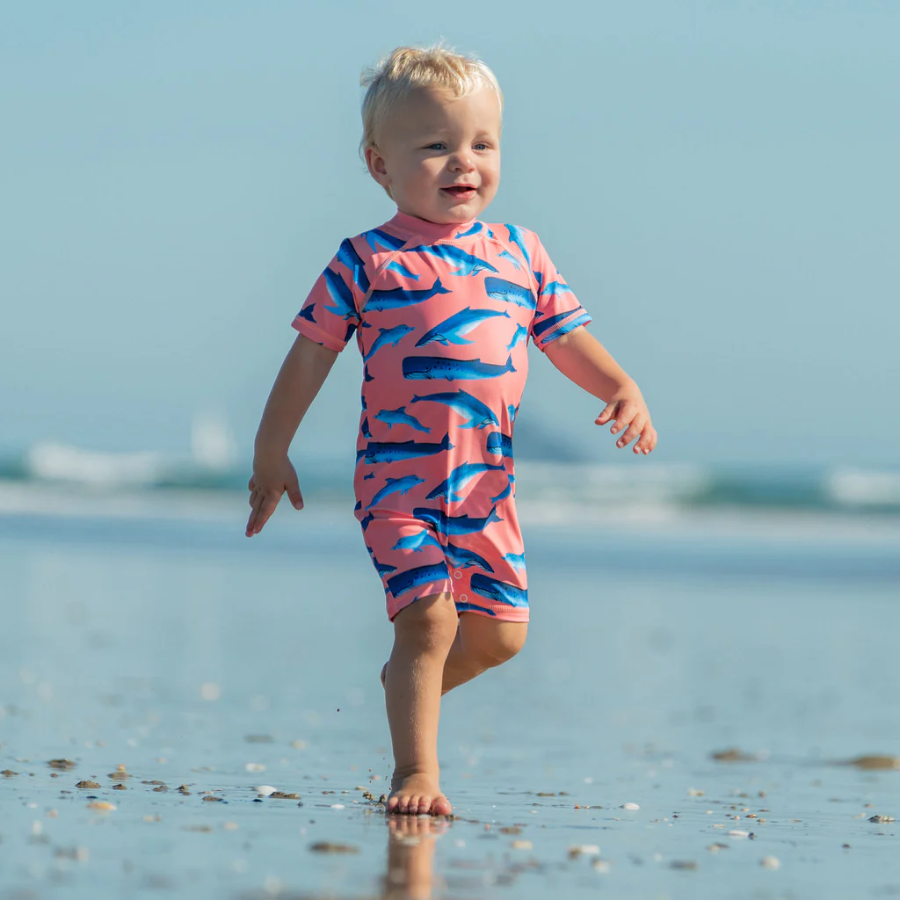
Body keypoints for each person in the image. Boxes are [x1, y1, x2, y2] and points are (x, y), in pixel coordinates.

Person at [246, 44, 657, 816]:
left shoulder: (521, 253)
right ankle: (416, 774)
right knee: (430, 616)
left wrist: (621, 385)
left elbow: (564, 337)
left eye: (481, 143)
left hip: (488, 488)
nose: (462, 162)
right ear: (380, 165)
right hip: (397, 483)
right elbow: (309, 357)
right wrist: (274, 449)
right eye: (434, 146)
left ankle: (409, 680)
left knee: (501, 638)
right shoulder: (366, 260)